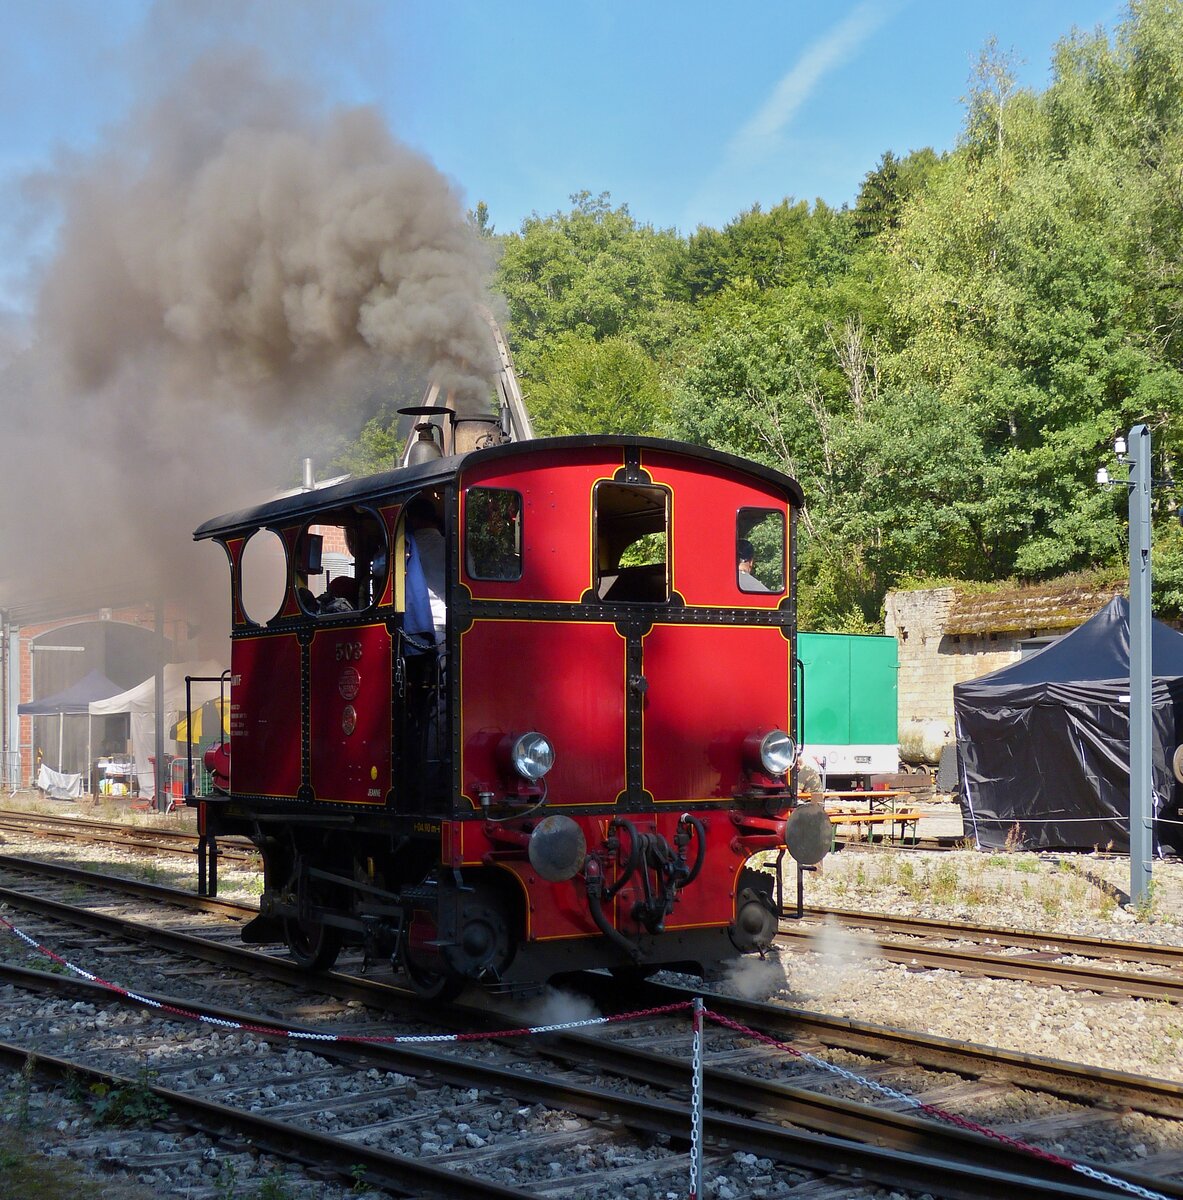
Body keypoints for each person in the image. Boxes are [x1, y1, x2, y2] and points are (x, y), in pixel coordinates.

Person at [405, 495, 446, 647]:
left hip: (424, 626)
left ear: (413, 520)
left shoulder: (407, 546)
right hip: (454, 623)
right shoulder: (456, 548)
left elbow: (378, 567)